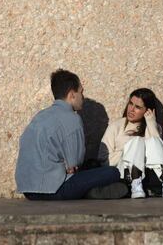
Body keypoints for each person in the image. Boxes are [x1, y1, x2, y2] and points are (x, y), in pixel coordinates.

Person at [15, 69, 124, 200]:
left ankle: (92, 192)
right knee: (112, 172)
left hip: (29, 191)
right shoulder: (72, 118)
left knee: (89, 171)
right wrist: (69, 167)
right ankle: (91, 192)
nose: (82, 97)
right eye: (81, 92)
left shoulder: (40, 116)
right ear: (72, 95)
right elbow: (75, 163)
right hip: (53, 190)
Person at [100, 88, 163, 198]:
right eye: (130, 104)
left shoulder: (153, 126)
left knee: (154, 141)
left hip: (149, 174)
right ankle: (136, 183)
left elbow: (158, 149)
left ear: (147, 111)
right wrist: (128, 152)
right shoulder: (116, 126)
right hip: (124, 173)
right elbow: (103, 158)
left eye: (138, 107)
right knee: (137, 141)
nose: (131, 109)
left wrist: (151, 122)